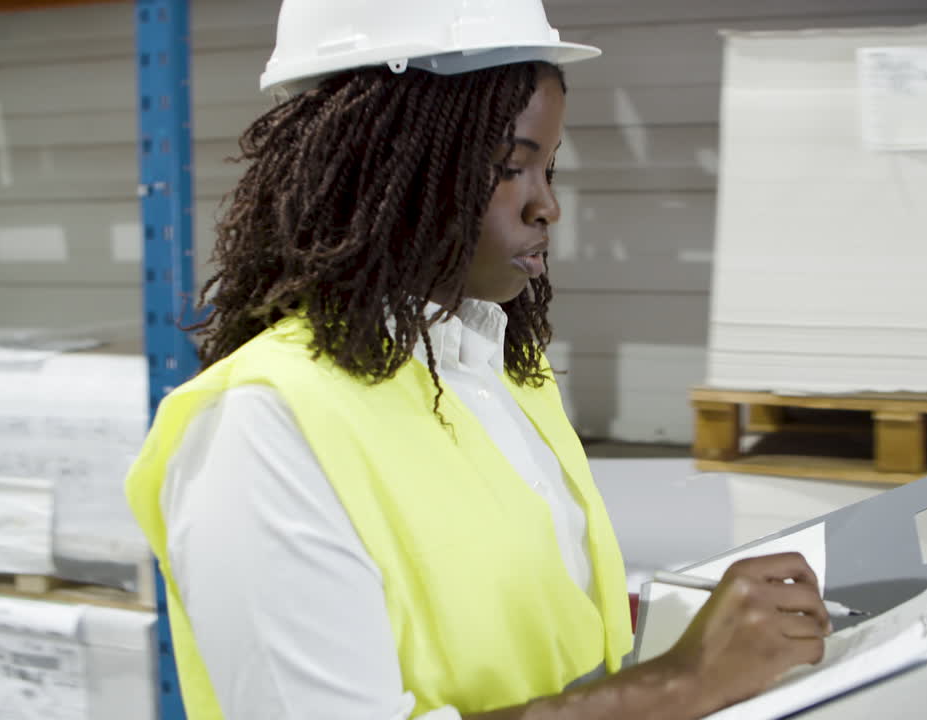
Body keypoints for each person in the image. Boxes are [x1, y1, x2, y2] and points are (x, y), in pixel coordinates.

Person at [124, 1, 829, 718]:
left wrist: (697, 636)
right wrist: (680, 684)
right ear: (382, 166)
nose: (546, 206)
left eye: (548, 167)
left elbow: (536, 627)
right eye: (509, 167)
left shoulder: (499, 370)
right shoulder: (263, 426)